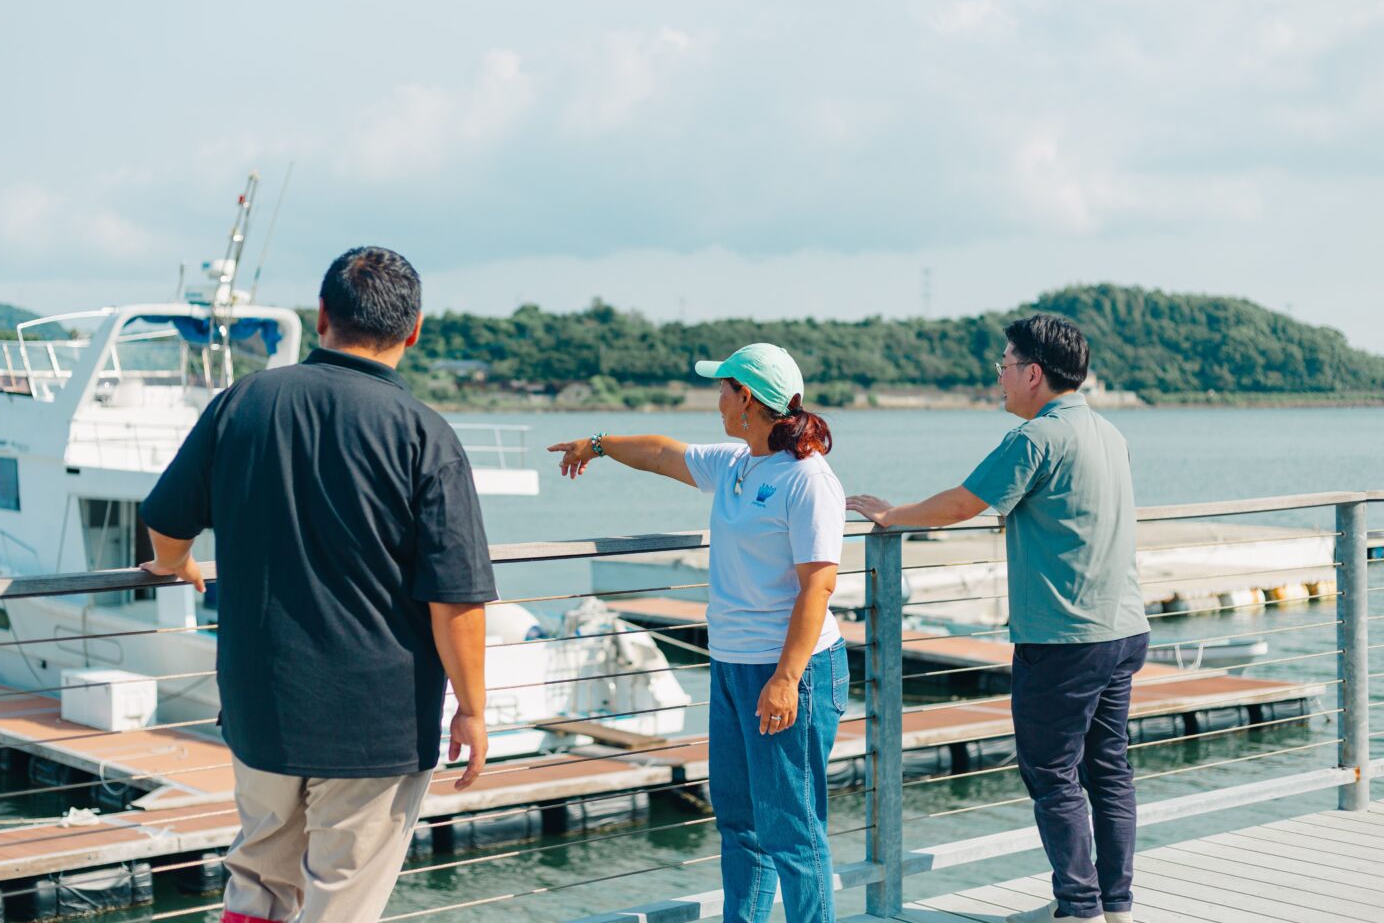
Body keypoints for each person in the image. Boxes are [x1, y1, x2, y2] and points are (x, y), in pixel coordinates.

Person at [138, 246, 496, 923]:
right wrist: (472, 709)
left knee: (258, 880)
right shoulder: (424, 434)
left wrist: (174, 560)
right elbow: (456, 598)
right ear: (414, 330)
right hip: (376, 723)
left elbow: (166, 519)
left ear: (322, 314)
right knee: (342, 898)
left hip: (262, 703)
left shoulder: (243, 402)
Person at [847, 315, 1148, 923]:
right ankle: (1115, 905)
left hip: (1064, 635)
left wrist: (892, 515)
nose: (999, 378)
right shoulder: (1108, 432)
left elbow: (964, 503)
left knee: (1051, 773)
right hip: (1123, 627)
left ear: (1033, 373)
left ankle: (1081, 908)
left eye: (1004, 366)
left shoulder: (1036, 438)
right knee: (1108, 770)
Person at [549, 343, 848, 923]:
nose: (717, 401)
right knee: (740, 824)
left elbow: (818, 587)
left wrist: (786, 679)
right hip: (733, 665)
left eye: (722, 390)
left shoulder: (807, 479)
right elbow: (663, 454)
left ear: (747, 399)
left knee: (791, 831)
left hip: (791, 670)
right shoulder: (737, 463)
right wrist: (599, 445)